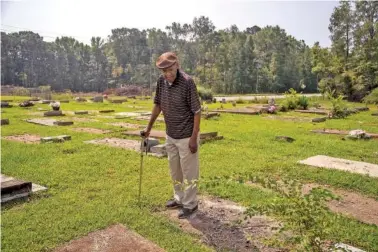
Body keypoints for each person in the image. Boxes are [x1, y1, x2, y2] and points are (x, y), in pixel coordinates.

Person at [142, 52, 201, 219]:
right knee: (175, 170)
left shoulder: (188, 83)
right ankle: (179, 198)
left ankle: (191, 204)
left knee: (189, 172)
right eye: (164, 71)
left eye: (170, 70)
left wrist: (193, 137)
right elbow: (157, 105)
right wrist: (149, 128)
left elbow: (197, 112)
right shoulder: (162, 82)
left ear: (177, 65)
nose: (167, 74)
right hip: (171, 135)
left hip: (187, 136)